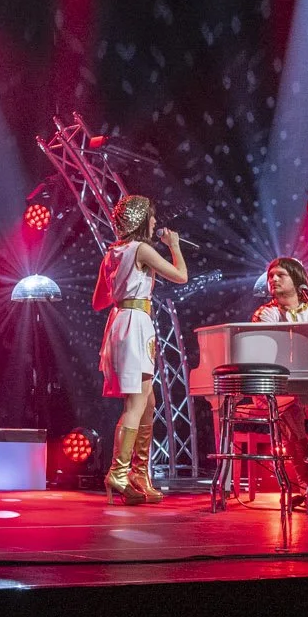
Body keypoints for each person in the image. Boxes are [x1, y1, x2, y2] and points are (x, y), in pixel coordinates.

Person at [93, 194, 187, 503]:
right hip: (135, 323)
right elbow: (181, 277)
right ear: (141, 220)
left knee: (148, 401)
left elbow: (98, 302)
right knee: (136, 404)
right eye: (152, 217)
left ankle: (138, 473)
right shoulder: (141, 249)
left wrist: (123, 284)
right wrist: (174, 245)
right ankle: (118, 473)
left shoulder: (113, 253)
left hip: (121, 320)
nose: (156, 222)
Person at [250, 256, 308, 495]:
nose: (273, 279)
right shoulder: (265, 315)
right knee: (291, 408)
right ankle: (306, 484)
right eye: (270, 276)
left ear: (297, 280)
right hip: (274, 390)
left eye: (280, 275)